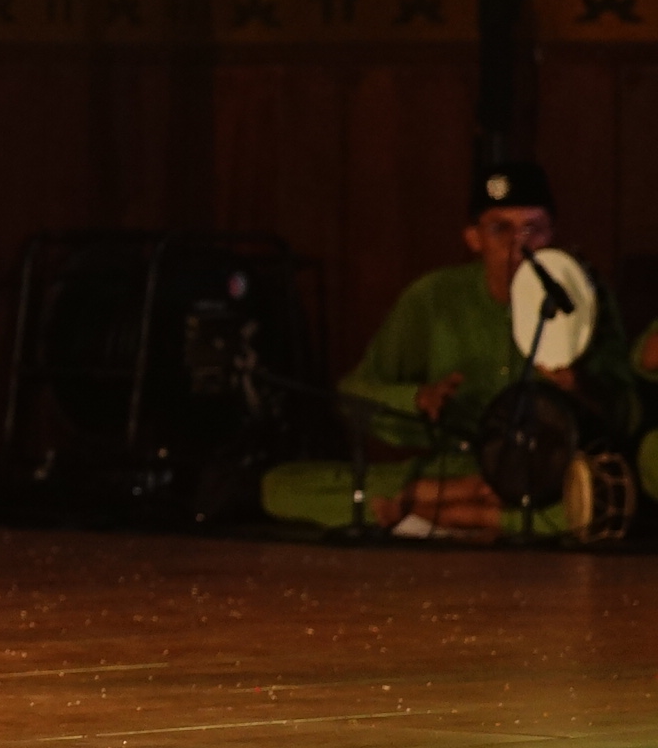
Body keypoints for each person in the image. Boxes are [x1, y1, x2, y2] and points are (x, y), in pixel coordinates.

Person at [259, 160, 640, 538]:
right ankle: (460, 499)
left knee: (595, 505)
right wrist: (417, 400)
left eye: (532, 230)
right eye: (499, 230)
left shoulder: (582, 297)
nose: (517, 246)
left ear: (552, 234)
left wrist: (582, 387)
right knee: (279, 486)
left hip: (546, 475)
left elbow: (630, 413)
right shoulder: (434, 298)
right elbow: (351, 394)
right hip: (455, 470)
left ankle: (443, 515)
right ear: (473, 238)